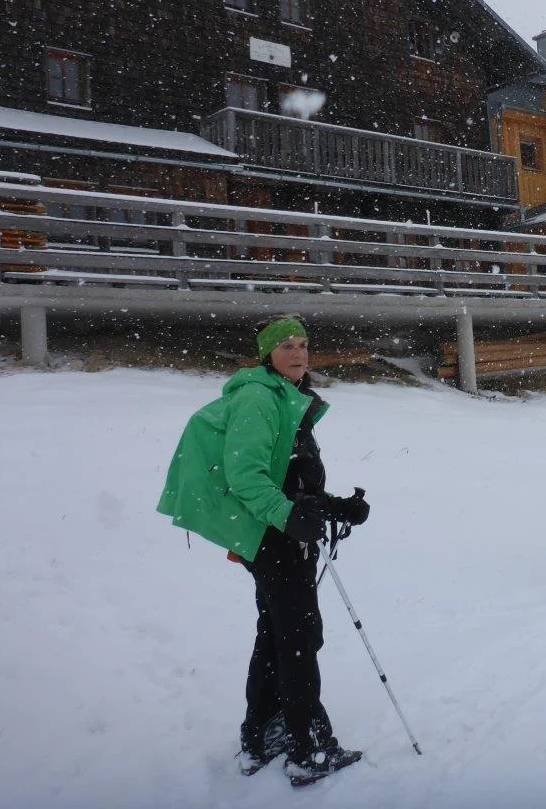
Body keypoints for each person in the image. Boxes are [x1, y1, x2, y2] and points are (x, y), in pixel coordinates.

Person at [157, 316, 371, 785]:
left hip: (275, 531)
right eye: (286, 346)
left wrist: (334, 507)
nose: (298, 354)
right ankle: (308, 750)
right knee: (298, 639)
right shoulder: (259, 397)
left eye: (303, 345)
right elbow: (247, 476)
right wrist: (292, 520)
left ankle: (262, 736)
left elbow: (288, 477)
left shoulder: (285, 396)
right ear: (267, 355)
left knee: (277, 634)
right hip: (273, 538)